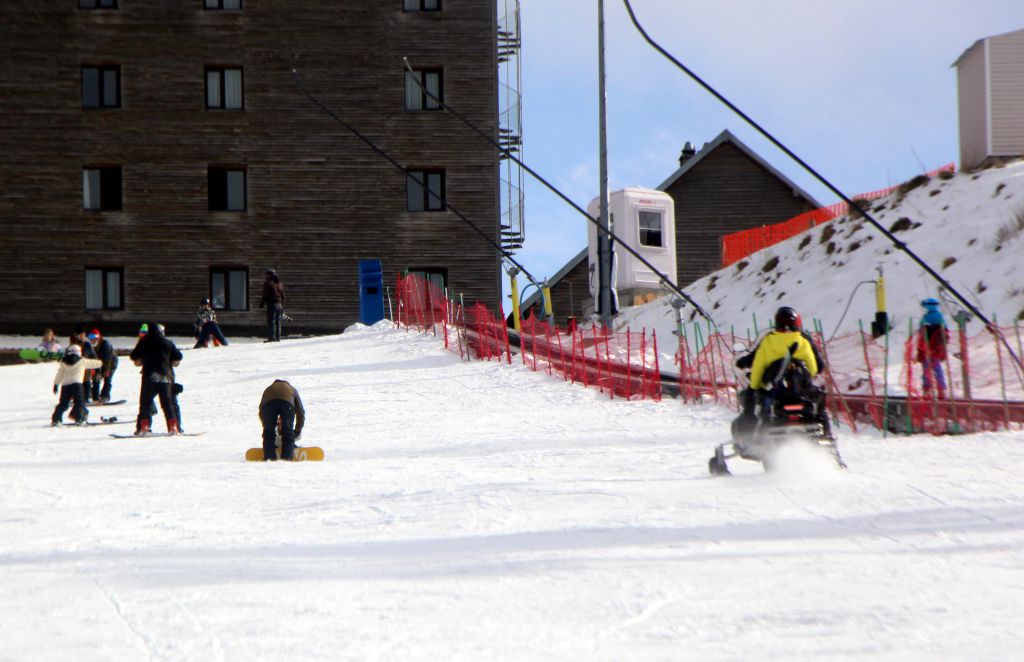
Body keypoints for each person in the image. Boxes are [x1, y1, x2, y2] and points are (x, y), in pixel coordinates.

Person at [733, 306, 831, 439]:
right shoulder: (802, 341)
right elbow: (813, 368)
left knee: (750, 400)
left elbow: (758, 367)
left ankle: (749, 437)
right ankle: (826, 434)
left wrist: (754, 386)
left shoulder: (769, 341)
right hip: (802, 392)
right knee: (820, 402)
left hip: (775, 393)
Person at [129, 322, 184, 435]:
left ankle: (144, 427)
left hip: (149, 377)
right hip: (165, 378)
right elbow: (178, 356)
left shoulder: (144, 342)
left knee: (146, 403)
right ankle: (173, 426)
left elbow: (133, 356)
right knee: (168, 404)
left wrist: (142, 357)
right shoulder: (167, 343)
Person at [51, 345, 103, 426]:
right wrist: (102, 362)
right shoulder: (82, 361)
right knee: (79, 402)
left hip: (65, 385)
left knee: (63, 403)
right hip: (77, 385)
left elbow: (59, 374)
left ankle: (56, 419)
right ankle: (80, 419)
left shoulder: (64, 362)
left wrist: (56, 384)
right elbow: (95, 363)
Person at [258, 379, 305, 461]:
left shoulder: (268, 389)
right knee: (288, 433)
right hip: (286, 403)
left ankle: (269, 459)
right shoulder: (292, 389)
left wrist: (267, 427)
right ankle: (286, 459)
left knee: (268, 434)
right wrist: (297, 431)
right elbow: (300, 412)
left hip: (269, 404)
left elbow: (261, 411)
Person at [916, 297, 949, 399]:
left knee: (927, 369)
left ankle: (928, 391)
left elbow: (922, 334)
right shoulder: (941, 317)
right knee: (937, 369)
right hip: (936, 349)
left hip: (928, 348)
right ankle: (941, 390)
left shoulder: (926, 318)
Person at [88, 328, 118, 402]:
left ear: (98, 338)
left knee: (107, 378)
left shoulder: (105, 345)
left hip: (111, 363)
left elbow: (107, 359)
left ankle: (105, 396)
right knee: (96, 377)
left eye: (94, 338)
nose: (92, 340)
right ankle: (95, 396)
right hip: (99, 363)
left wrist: (107, 370)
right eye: (91, 338)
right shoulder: (91, 346)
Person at [260, 269, 285, 342]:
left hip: (272, 304)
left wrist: (262, 304)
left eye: (266, 274)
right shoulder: (279, 283)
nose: (265, 276)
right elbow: (283, 296)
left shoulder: (268, 283)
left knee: (271, 322)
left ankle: (272, 338)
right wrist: (282, 305)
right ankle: (278, 338)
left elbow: (265, 294)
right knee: (278, 322)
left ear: (269, 275)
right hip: (279, 304)